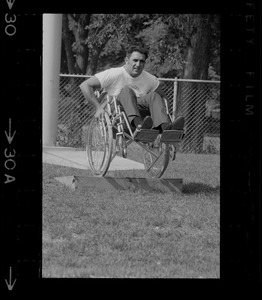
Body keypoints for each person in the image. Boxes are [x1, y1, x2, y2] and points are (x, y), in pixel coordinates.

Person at [80, 45, 184, 132]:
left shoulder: (150, 79)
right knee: (126, 90)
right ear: (127, 60)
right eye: (135, 60)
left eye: (142, 61)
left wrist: (166, 112)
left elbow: (164, 97)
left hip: (140, 111)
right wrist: (98, 108)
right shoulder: (114, 74)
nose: (138, 64)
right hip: (117, 112)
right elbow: (85, 85)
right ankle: (138, 124)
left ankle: (166, 128)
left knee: (154, 95)